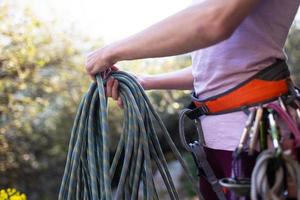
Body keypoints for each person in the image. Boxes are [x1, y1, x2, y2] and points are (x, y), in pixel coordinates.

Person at [85, 0, 300, 199]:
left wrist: (111, 52)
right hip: (219, 146)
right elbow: (216, 68)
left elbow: (213, 22)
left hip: (255, 142)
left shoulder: (216, 14)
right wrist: (146, 81)